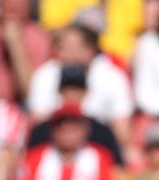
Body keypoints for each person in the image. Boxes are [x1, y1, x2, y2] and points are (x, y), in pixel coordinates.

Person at [26, 24, 134, 152]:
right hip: (54, 142)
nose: (68, 52)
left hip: (99, 142)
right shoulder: (45, 74)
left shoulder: (112, 76)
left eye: (74, 47)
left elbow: (122, 133)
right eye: (62, 47)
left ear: (90, 49)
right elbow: (38, 123)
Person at [25, 64, 123, 165]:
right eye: (67, 89)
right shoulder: (41, 131)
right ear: (60, 92)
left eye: (76, 89)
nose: (71, 94)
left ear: (85, 93)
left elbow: (116, 168)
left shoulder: (102, 132)